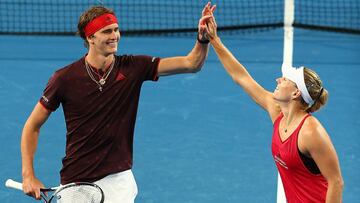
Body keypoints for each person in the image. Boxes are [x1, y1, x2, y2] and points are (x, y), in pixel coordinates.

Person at [20, 3, 216, 202]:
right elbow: (32, 126)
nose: (114, 35)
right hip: (76, 181)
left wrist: (202, 39)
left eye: (116, 29)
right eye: (106, 31)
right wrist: (29, 175)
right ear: (90, 38)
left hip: (118, 179)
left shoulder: (134, 67)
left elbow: (191, 64)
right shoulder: (64, 79)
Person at [203, 12, 344, 202]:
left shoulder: (311, 133)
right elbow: (242, 78)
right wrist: (214, 40)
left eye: (285, 79)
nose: (278, 79)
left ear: (296, 93)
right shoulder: (277, 112)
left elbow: (336, 181)